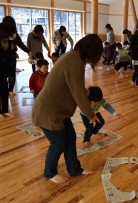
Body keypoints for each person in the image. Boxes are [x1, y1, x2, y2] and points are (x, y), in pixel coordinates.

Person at [32, 34, 103, 183]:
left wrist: (85, 94)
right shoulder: (75, 61)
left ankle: (74, 169)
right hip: (49, 111)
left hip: (59, 111)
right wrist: (91, 115)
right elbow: (77, 92)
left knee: (70, 139)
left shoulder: (74, 57)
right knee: (58, 143)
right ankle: (49, 173)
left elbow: (74, 87)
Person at [2, 16, 32, 96]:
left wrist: (28, 51)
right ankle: (4, 90)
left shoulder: (15, 34)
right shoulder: (1, 34)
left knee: (12, 73)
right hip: (2, 57)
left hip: (12, 56)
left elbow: (20, 44)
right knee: (3, 74)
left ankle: (10, 89)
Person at [0, 22, 17, 119]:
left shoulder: (8, 41)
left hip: (4, 68)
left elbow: (9, 56)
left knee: (4, 90)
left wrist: (10, 72)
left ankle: (5, 110)